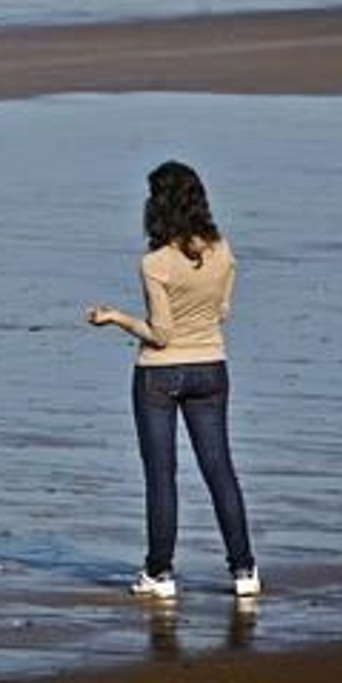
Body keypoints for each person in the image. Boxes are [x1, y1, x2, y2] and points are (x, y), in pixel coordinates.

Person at [88, 160, 259, 600]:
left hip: (159, 375)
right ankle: (244, 570)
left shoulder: (155, 263)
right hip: (212, 367)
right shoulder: (223, 250)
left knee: (161, 475)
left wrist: (116, 318)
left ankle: (159, 573)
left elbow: (161, 334)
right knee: (220, 469)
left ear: (156, 207)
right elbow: (222, 310)